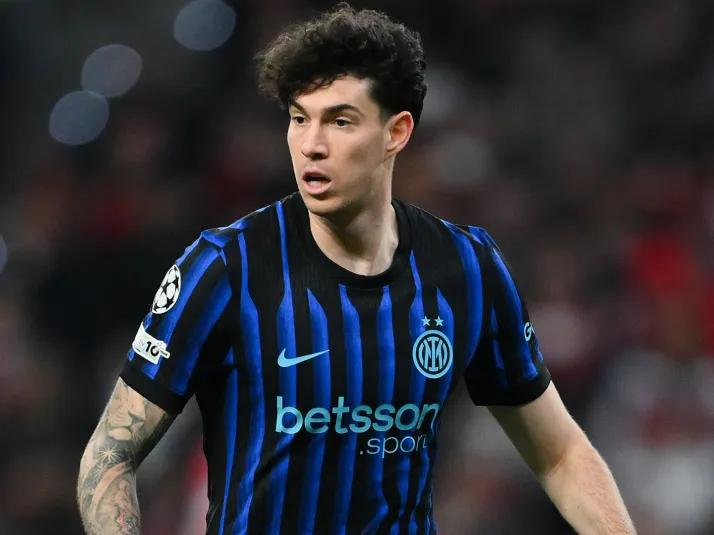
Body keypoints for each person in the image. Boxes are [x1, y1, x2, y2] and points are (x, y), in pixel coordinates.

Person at [77, 3, 636, 534]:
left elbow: (561, 454)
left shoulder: (466, 267)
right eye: (299, 119)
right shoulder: (226, 267)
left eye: (340, 122)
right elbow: (112, 452)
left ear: (396, 133)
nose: (311, 145)